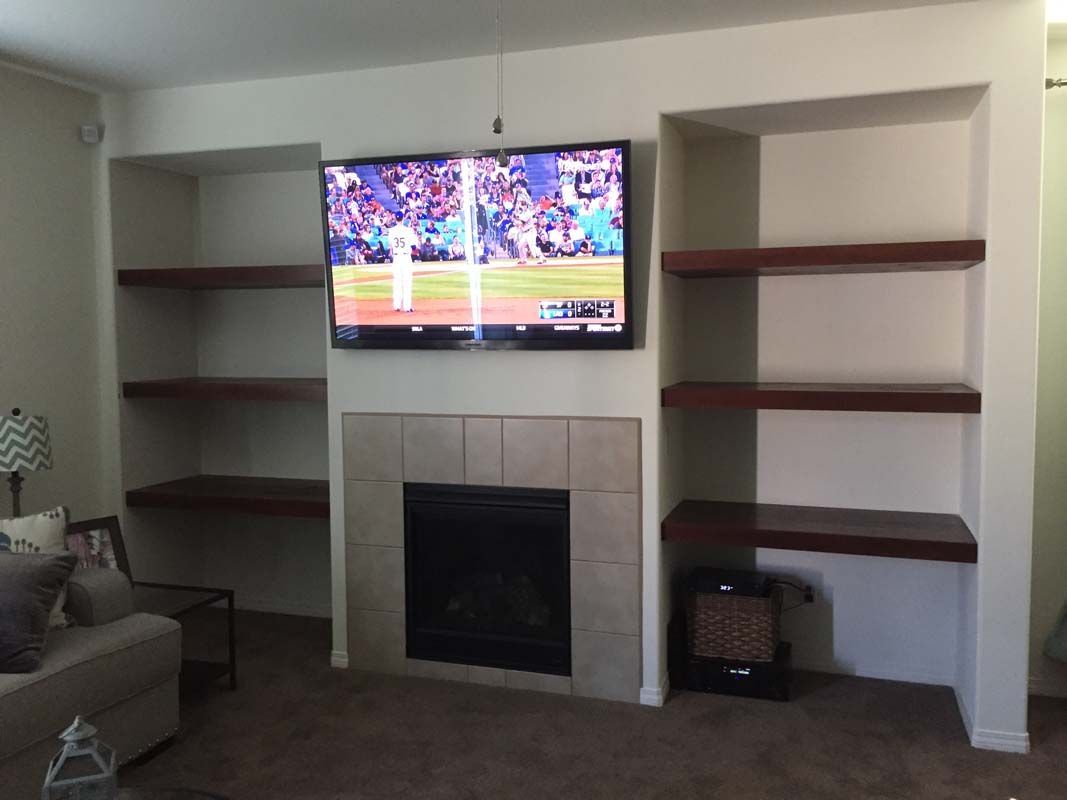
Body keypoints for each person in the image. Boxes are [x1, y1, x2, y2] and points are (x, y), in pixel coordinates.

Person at [387, 213, 418, 312]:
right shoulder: (408, 230)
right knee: (407, 281)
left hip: (396, 258)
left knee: (397, 281)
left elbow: (390, 245)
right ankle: (407, 307)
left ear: (395, 219)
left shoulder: (391, 231)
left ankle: (396, 305)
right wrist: (415, 251)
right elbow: (413, 246)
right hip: (405, 257)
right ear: (403, 218)